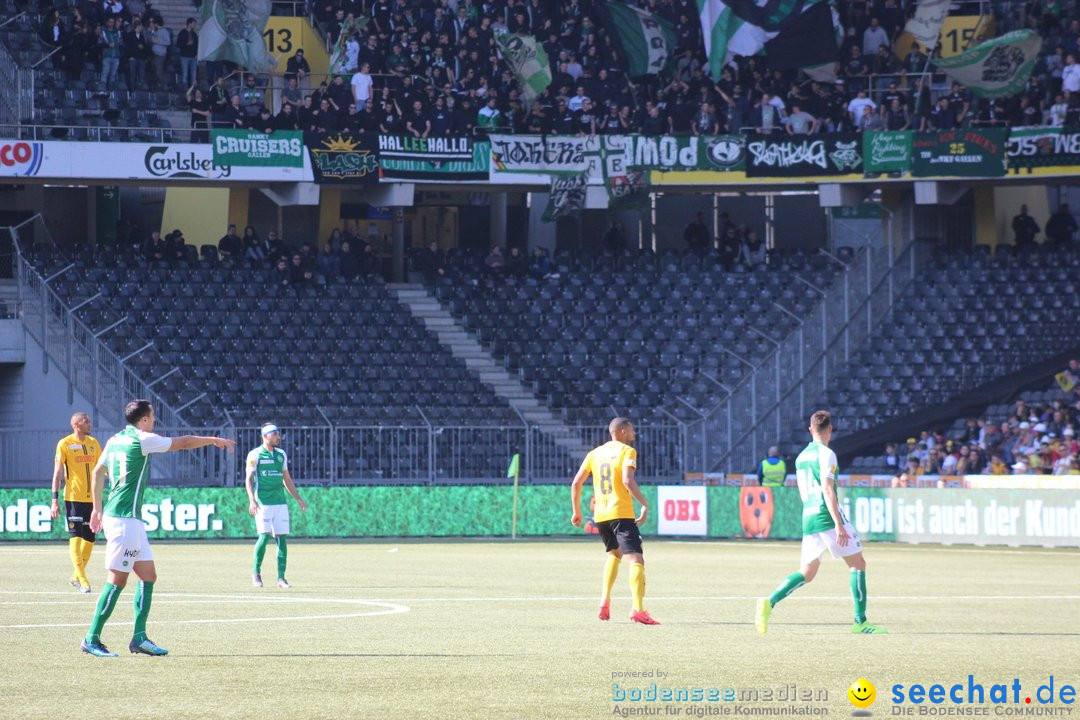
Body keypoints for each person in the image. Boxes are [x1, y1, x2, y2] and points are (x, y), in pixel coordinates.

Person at [81, 400, 235, 657]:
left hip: (128, 519)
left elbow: (98, 472)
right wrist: (213, 440)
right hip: (123, 519)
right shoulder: (142, 439)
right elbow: (183, 442)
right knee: (117, 579)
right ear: (143, 420)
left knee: (148, 576)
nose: (154, 422)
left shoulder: (115, 439)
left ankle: (139, 638)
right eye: (152, 417)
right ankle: (91, 637)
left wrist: (96, 507)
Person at [755, 411, 887, 635]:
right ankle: (860, 622)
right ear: (830, 429)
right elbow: (827, 489)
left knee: (807, 572)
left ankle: (769, 602)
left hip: (809, 516)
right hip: (826, 515)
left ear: (810, 430)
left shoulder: (801, 457)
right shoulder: (827, 454)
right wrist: (838, 523)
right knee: (857, 564)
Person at [569, 417, 659, 625]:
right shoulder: (627, 452)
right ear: (623, 432)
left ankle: (604, 603)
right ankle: (638, 609)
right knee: (636, 558)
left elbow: (576, 483)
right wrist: (644, 504)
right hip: (621, 513)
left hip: (602, 515)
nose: (634, 435)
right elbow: (628, 480)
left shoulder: (594, 454)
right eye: (632, 431)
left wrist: (577, 512)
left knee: (614, 554)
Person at [246, 424, 308, 589]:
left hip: (280, 503)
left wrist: (298, 499)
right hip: (263, 503)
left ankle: (281, 578)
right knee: (264, 537)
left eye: (278, 434)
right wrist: (252, 500)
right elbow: (248, 479)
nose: (278, 437)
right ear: (265, 436)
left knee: (282, 538)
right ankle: (256, 573)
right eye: (275, 434)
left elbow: (286, 479)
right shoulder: (255, 454)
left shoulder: (281, 455)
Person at [51, 412, 103, 594]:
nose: (89, 423)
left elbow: (102, 468)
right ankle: (83, 580)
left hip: (93, 499)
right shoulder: (65, 444)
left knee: (90, 538)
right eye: (85, 421)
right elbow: (57, 473)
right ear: (76, 424)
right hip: (73, 497)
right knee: (75, 537)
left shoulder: (94, 443)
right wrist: (54, 500)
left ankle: (75, 575)